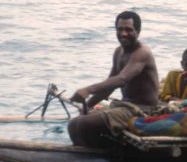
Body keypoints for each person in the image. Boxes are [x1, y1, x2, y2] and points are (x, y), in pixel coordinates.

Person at [66, 11, 160, 146]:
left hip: (142, 109)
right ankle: (88, 150)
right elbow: (109, 86)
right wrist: (88, 105)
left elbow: (122, 79)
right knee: (77, 122)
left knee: (79, 124)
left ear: (138, 32)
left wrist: (88, 90)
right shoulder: (119, 52)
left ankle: (91, 152)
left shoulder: (142, 52)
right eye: (120, 29)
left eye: (128, 30)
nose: (123, 33)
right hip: (124, 106)